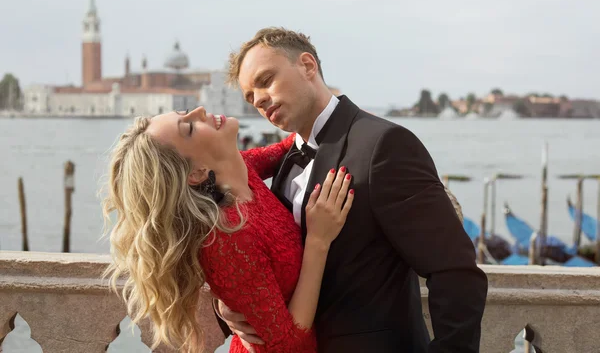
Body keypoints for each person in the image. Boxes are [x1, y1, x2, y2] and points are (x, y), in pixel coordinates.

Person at [215, 27, 489, 352]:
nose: (258, 99)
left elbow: (454, 271)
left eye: (266, 80)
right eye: (250, 96)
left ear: (307, 66)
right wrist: (227, 310)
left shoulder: (384, 145)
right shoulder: (287, 159)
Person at [101, 107, 354, 353]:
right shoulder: (229, 235)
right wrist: (318, 241)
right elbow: (287, 345)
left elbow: (290, 146)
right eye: (189, 127)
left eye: (184, 111)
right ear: (197, 172)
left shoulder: (240, 168)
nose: (200, 110)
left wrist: (353, 118)